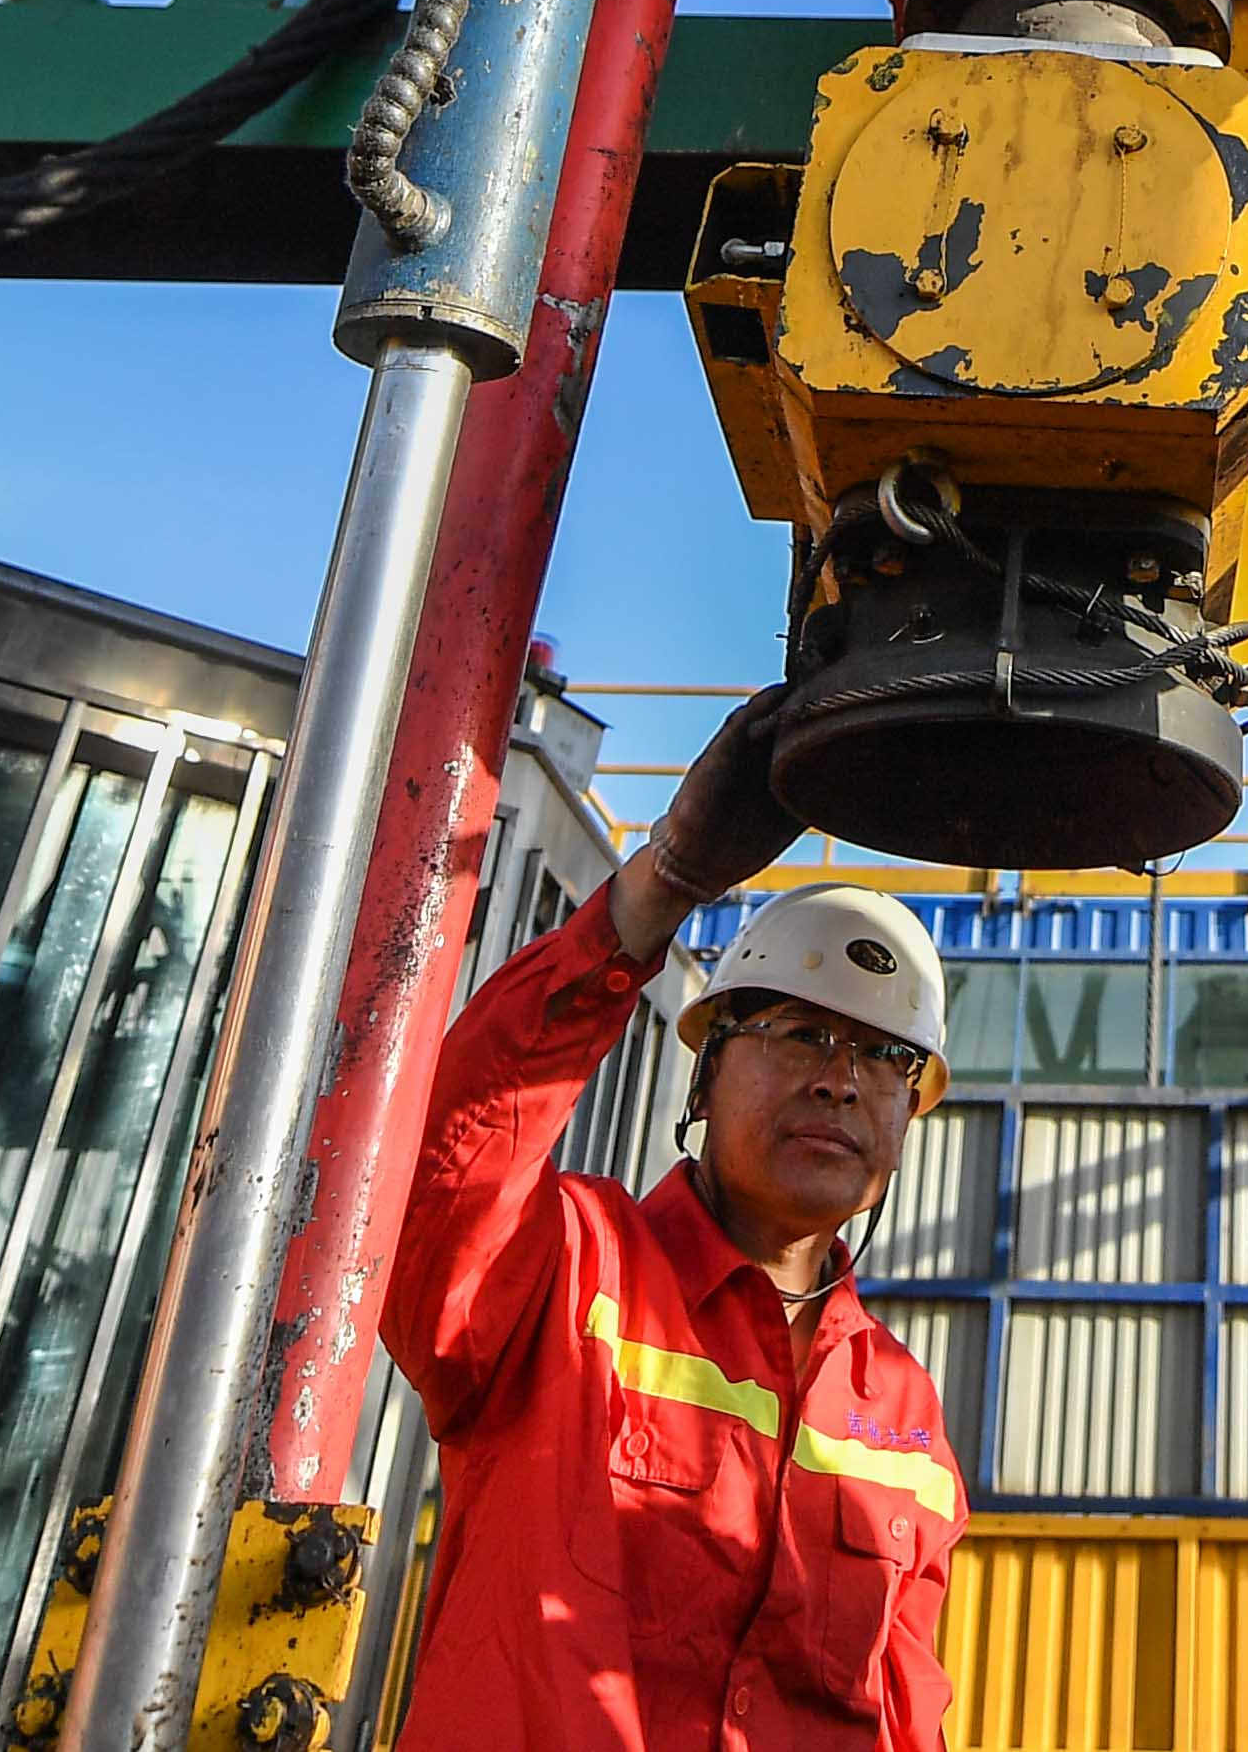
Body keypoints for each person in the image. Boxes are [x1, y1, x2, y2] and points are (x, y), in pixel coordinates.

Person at [382, 685, 963, 1748]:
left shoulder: (904, 1414)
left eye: (885, 1058)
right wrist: (660, 887)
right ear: (702, 1081)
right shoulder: (561, 1272)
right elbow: (438, 1148)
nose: (841, 1080)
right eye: (797, 1033)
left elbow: (903, 1712)